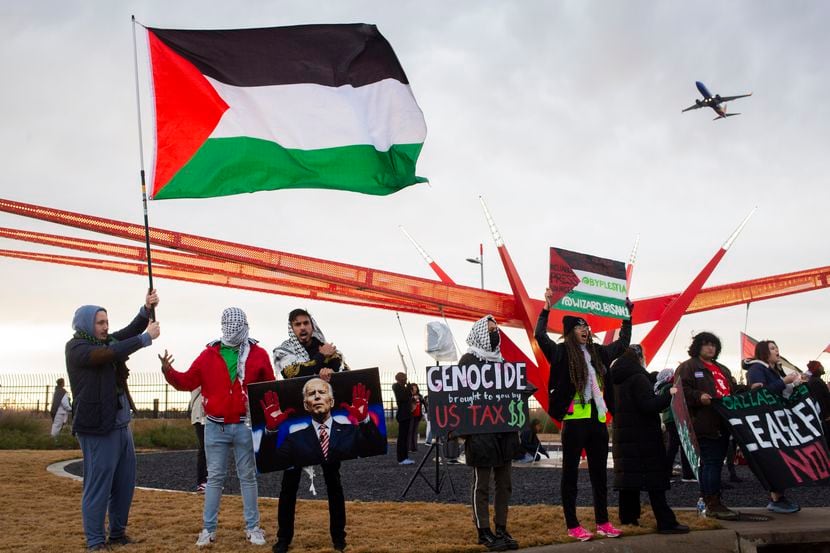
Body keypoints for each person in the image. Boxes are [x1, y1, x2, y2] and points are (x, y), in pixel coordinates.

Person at [160, 307, 274, 547]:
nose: (232, 329)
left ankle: (253, 527)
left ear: (245, 324)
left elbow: (269, 388)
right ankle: (208, 529)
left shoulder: (258, 354)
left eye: (237, 324)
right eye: (228, 324)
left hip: (246, 424)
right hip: (215, 426)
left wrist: (259, 407)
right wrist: (168, 372)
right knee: (215, 479)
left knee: (248, 478)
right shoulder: (208, 354)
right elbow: (187, 381)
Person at [534, 288, 632, 542]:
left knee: (599, 474)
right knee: (570, 474)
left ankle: (603, 522)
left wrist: (626, 318)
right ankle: (572, 524)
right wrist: (546, 308)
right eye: (579, 327)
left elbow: (622, 344)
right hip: (574, 422)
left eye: (586, 326)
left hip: (597, 421)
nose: (585, 330)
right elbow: (539, 335)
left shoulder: (599, 353)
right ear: (569, 332)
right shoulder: (561, 352)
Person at [66, 289, 160, 551]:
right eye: (100, 322)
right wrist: (144, 339)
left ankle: (117, 533)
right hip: (97, 427)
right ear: (86, 324)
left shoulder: (106, 342)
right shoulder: (77, 348)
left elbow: (127, 333)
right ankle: (95, 541)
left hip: (120, 424)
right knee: (98, 485)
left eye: (107, 322)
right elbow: (111, 354)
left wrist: (146, 309)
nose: (106, 327)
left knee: (124, 483)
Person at [271, 309, 348, 553]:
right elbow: (292, 373)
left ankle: (339, 538)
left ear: (311, 325)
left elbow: (342, 371)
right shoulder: (283, 350)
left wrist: (330, 373)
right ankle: (283, 539)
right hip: (297, 427)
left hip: (326, 424)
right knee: (289, 485)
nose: (302, 328)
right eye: (297, 324)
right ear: (291, 328)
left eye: (306, 323)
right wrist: (318, 361)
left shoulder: (329, 348)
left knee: (333, 482)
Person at [611, 346, 689, 534]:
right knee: (654, 480)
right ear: (638, 358)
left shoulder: (617, 379)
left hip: (623, 436)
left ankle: (628, 519)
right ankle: (666, 521)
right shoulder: (638, 378)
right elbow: (647, 405)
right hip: (643, 437)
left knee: (629, 480)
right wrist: (667, 395)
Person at [460, 315, 518, 551]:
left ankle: (501, 528)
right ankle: (484, 531)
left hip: (503, 431)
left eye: (496, 330)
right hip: (480, 433)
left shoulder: (502, 362)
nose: (494, 334)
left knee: (504, 484)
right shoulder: (467, 361)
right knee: (481, 485)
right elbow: (460, 397)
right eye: (490, 330)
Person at [676, 331, 739, 520]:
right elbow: (680, 390)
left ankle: (708, 500)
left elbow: (732, 390)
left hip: (723, 421)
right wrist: (698, 396)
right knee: (711, 463)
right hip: (703, 421)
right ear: (698, 347)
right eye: (706, 344)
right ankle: (713, 502)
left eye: (713, 344)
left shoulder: (722, 369)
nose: (711, 347)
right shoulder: (688, 367)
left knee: (713, 463)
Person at [259, 378, 385, 468]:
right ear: (305, 405)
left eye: (322, 392)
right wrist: (271, 429)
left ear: (332, 402)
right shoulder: (294, 440)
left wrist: (364, 420)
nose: (317, 397)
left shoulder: (352, 432)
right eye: (312, 393)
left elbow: (378, 449)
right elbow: (267, 464)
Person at [744, 340, 804, 514]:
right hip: (767, 420)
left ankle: (779, 496)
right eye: (772, 348)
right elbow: (759, 394)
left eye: (776, 347)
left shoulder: (773, 370)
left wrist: (793, 384)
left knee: (781, 457)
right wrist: (784, 381)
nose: (776, 350)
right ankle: (776, 498)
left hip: (776, 419)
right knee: (775, 459)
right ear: (763, 352)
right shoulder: (757, 369)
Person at [654, 368, 696, 483]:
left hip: (669, 419)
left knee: (675, 446)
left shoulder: (662, 387)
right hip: (675, 418)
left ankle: (671, 473)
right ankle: (681, 474)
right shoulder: (670, 387)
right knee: (678, 446)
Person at [392, 371, 414, 465]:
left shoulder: (403, 388)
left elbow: (408, 396)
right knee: (402, 437)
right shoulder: (396, 386)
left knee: (405, 437)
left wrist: (408, 389)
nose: (405, 380)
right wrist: (407, 389)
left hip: (407, 414)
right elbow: (402, 398)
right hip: (403, 415)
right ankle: (401, 458)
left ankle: (405, 457)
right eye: (404, 378)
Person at [189, 388, 208, 492]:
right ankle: (202, 481)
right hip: (200, 415)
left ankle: (208, 480)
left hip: (208, 415)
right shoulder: (199, 373)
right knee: (204, 448)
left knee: (210, 448)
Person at [805, 360, 830, 437]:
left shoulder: (816, 380)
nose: (822, 367)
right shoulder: (815, 382)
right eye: (820, 366)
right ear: (817, 368)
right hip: (825, 417)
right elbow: (820, 400)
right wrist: (826, 416)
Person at [409, 382, 425, 452]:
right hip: (411, 416)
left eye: (415, 387)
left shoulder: (419, 396)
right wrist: (412, 398)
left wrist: (421, 398)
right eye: (413, 388)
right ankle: (409, 447)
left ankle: (414, 448)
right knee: (410, 431)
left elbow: (424, 402)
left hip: (418, 416)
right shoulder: (408, 396)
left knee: (415, 432)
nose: (415, 389)